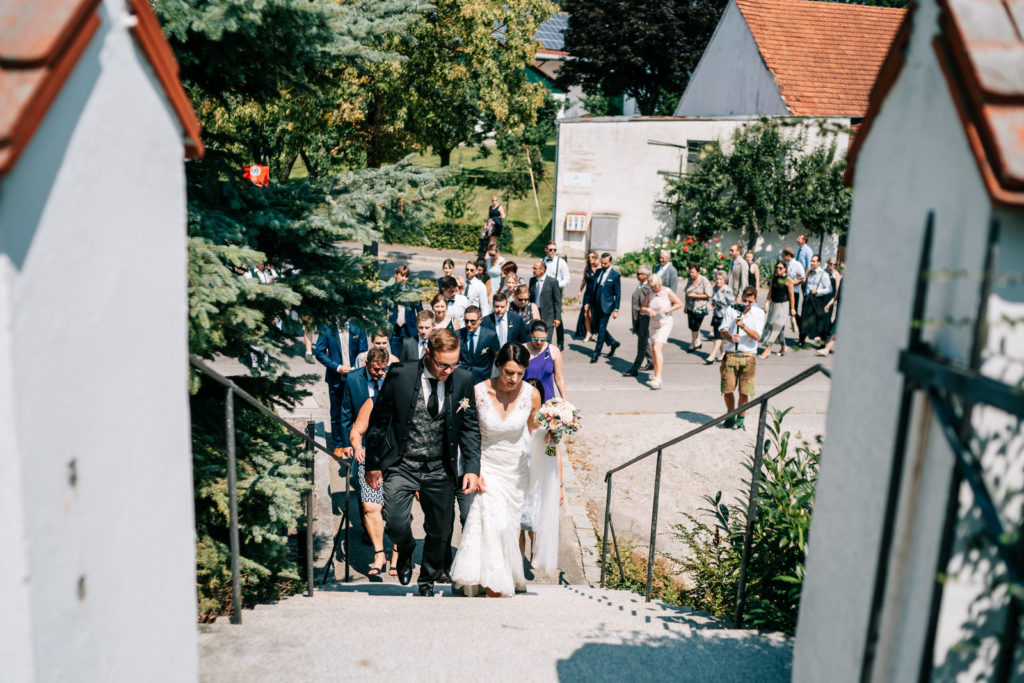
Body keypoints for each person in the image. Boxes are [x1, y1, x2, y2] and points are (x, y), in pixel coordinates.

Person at [364, 328, 483, 596]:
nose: (448, 371)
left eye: (454, 364)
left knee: (440, 531)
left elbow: (470, 427)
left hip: (440, 467)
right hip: (402, 464)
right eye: (443, 365)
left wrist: (472, 468)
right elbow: (379, 422)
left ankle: (427, 579)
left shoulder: (463, 379)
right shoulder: (400, 374)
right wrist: (373, 463)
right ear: (428, 353)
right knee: (395, 522)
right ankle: (405, 549)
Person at [451, 343, 542, 597]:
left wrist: (551, 446)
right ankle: (492, 583)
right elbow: (465, 433)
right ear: (498, 366)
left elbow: (537, 435)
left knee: (509, 528)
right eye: (509, 372)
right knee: (492, 523)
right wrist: (472, 468)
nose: (514, 379)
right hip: (486, 467)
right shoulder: (478, 392)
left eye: (520, 373)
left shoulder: (532, 395)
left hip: (516, 472)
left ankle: (499, 577)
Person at [343, 347, 394, 578]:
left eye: (384, 370)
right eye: (376, 369)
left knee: (395, 508)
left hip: (393, 455)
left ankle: (396, 552)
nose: (380, 374)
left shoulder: (393, 385)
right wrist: (352, 445)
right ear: (367, 364)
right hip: (368, 451)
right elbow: (347, 415)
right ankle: (376, 547)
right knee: (368, 503)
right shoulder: (355, 382)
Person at [314, 318, 365, 455]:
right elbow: (319, 352)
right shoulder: (327, 326)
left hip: (355, 376)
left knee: (356, 411)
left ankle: (355, 441)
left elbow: (363, 351)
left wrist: (356, 368)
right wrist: (337, 367)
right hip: (336, 377)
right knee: (336, 412)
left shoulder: (358, 326)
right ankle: (338, 443)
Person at [718, 286, 766, 430]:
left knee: (744, 391)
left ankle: (740, 420)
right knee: (727, 389)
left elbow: (757, 336)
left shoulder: (759, 313)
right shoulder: (731, 309)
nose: (746, 304)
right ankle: (730, 416)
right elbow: (723, 329)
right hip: (731, 354)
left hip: (748, 355)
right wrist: (730, 337)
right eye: (744, 300)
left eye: (750, 301)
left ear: (755, 299)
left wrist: (743, 326)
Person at [642, 273, 683, 390]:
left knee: (657, 348)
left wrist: (668, 309)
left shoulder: (667, 291)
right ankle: (656, 377)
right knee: (654, 350)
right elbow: (642, 308)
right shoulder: (650, 293)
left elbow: (679, 303)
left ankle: (658, 377)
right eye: (651, 287)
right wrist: (648, 310)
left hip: (665, 322)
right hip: (653, 323)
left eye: (655, 287)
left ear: (659, 284)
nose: (653, 289)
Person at [759, 262, 796, 358]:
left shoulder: (788, 280)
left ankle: (767, 349)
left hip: (783, 305)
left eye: (780, 268)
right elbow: (770, 292)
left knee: (775, 327)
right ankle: (783, 346)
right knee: (777, 327)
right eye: (777, 267)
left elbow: (792, 296)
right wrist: (767, 304)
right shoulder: (774, 278)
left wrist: (792, 309)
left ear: (785, 269)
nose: (778, 269)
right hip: (773, 304)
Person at [523, 320, 568, 401]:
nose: (539, 342)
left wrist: (564, 400)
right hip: (526, 399)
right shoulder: (523, 349)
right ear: (531, 334)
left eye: (542, 339)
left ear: (547, 334)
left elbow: (559, 379)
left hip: (547, 400)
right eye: (535, 338)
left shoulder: (554, 351)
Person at [590, 253, 622, 363]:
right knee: (596, 326)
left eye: (605, 263)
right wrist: (589, 303)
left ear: (610, 262)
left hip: (606, 305)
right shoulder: (598, 271)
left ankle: (596, 353)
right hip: (595, 304)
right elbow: (593, 288)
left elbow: (618, 294)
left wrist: (616, 309)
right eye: (602, 263)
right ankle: (613, 343)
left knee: (601, 328)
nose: (603, 265)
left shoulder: (615, 275)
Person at [458, 305, 500, 384]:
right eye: (466, 321)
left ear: (480, 320)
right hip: (463, 379)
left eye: (472, 321)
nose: (469, 324)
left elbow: (497, 358)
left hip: (483, 379)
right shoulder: (458, 335)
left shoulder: (490, 336)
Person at [622, 265, 652, 378]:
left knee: (641, 345)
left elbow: (647, 305)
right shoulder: (640, 285)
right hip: (638, 318)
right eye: (637, 273)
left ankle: (634, 369)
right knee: (644, 342)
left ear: (646, 275)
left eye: (639, 274)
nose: (637, 275)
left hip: (644, 319)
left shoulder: (647, 288)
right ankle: (652, 361)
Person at [799, 255, 833, 347]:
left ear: (819, 262)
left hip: (817, 300)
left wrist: (818, 291)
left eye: (813, 261)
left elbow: (829, 289)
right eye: (811, 261)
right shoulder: (810, 272)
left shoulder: (824, 274)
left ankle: (822, 342)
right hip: (808, 299)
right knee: (804, 320)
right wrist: (805, 294)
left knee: (819, 322)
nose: (811, 263)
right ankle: (801, 340)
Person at [387, 263, 421, 357]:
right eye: (402, 275)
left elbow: (420, 311)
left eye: (406, 276)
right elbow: (383, 310)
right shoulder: (390, 290)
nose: (404, 278)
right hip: (394, 331)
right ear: (396, 275)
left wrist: (420, 328)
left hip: (410, 331)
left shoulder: (413, 290)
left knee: (410, 358)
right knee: (396, 359)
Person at [542, 242, 570, 350]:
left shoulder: (561, 262)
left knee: (557, 316)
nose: (553, 252)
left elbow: (566, 279)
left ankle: (560, 342)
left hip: (556, 291)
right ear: (546, 250)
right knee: (545, 315)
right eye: (550, 250)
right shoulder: (542, 261)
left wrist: (556, 286)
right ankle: (543, 340)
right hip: (544, 292)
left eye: (554, 250)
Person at [529, 260, 562, 344]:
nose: (533, 270)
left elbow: (557, 301)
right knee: (535, 339)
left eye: (535, 268)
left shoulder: (552, 282)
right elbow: (530, 298)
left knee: (546, 340)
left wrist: (557, 317)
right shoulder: (532, 280)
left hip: (548, 315)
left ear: (542, 270)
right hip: (535, 313)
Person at [705, 271, 735, 365]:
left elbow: (732, 304)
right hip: (716, 314)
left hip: (725, 316)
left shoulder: (727, 290)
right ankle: (723, 353)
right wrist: (711, 306)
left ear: (724, 280)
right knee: (718, 336)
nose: (718, 281)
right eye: (717, 279)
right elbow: (712, 301)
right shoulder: (714, 288)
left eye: (720, 279)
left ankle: (712, 356)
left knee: (718, 337)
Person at [683, 264, 713, 352]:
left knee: (695, 326)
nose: (691, 274)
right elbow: (687, 293)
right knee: (692, 326)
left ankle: (693, 343)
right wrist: (685, 306)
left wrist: (696, 296)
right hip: (690, 306)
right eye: (690, 272)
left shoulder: (704, 280)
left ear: (698, 272)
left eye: (693, 272)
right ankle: (698, 341)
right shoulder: (690, 280)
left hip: (700, 306)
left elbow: (709, 294)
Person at [817, 260, 842, 356]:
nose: (832, 265)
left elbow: (837, 290)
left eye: (834, 264)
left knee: (830, 323)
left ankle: (826, 347)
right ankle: (824, 343)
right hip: (823, 298)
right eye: (830, 263)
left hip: (831, 298)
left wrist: (833, 302)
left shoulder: (837, 275)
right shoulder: (824, 272)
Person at [575, 251, 600, 342]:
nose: (590, 259)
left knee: (592, 314)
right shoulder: (587, 268)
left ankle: (596, 332)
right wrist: (579, 291)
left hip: (596, 294)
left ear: (596, 258)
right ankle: (588, 333)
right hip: (587, 294)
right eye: (589, 257)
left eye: (593, 257)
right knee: (585, 314)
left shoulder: (600, 268)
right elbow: (584, 280)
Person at [781, 248, 806, 338]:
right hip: (785, 292)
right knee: (782, 313)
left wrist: (792, 284)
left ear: (788, 255)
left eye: (783, 255)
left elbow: (803, 279)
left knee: (793, 313)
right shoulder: (785, 264)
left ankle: (802, 332)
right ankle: (780, 335)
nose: (782, 257)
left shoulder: (798, 265)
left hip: (794, 292)